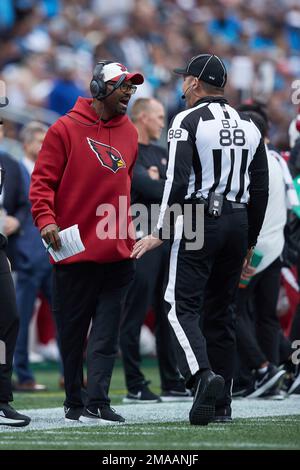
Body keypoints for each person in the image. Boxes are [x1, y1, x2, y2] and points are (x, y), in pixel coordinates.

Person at [131, 54, 269, 425]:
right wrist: (251, 239)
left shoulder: (186, 120)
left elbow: (176, 182)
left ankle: (201, 375)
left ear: (194, 83)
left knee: (178, 305)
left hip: (198, 217)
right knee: (222, 311)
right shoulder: (250, 125)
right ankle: (222, 404)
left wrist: (160, 230)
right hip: (239, 220)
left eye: (184, 80)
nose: (181, 86)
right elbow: (261, 188)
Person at [30, 61, 144, 424]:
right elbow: (41, 184)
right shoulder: (63, 128)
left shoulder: (130, 131)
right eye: (122, 86)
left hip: (117, 249)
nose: (129, 92)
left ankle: (98, 398)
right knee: (73, 331)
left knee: (107, 332)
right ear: (99, 89)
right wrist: (46, 220)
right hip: (74, 249)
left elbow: (125, 183)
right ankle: (74, 400)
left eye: (131, 87)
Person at [120, 98, 191, 403]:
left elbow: (177, 189)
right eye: (159, 117)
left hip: (165, 239)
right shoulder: (128, 150)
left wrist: (160, 183)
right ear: (143, 117)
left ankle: (171, 381)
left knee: (167, 313)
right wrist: (162, 184)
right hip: (139, 241)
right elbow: (160, 189)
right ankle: (135, 384)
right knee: (134, 314)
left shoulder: (162, 153)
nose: (163, 122)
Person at [232, 106, 293, 398]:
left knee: (231, 309)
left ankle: (261, 369)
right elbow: (294, 205)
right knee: (266, 316)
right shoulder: (279, 161)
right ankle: (274, 380)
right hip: (276, 246)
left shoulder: (250, 161)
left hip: (253, 251)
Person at [13, 122, 52, 392]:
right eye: (38, 140)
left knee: (65, 315)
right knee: (20, 319)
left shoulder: (52, 170)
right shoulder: (16, 170)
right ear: (26, 144)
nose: (42, 146)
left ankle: (70, 375)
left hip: (51, 254)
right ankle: (23, 375)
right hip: (26, 257)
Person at [0, 118, 30, 427]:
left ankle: (1, 398)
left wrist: (15, 224)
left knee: (9, 318)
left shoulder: (7, 161)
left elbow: (24, 202)